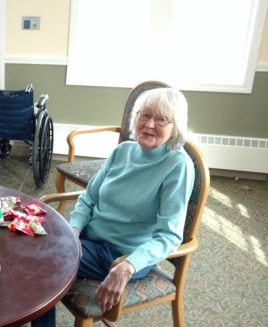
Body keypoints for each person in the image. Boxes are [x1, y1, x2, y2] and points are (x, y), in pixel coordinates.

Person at [32, 88, 195, 327]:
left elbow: (169, 235)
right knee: (27, 243)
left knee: (41, 262)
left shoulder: (177, 166)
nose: (149, 124)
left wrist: (128, 265)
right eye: (144, 115)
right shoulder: (123, 151)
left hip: (121, 253)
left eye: (161, 119)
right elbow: (88, 199)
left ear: (175, 127)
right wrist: (74, 229)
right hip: (90, 236)